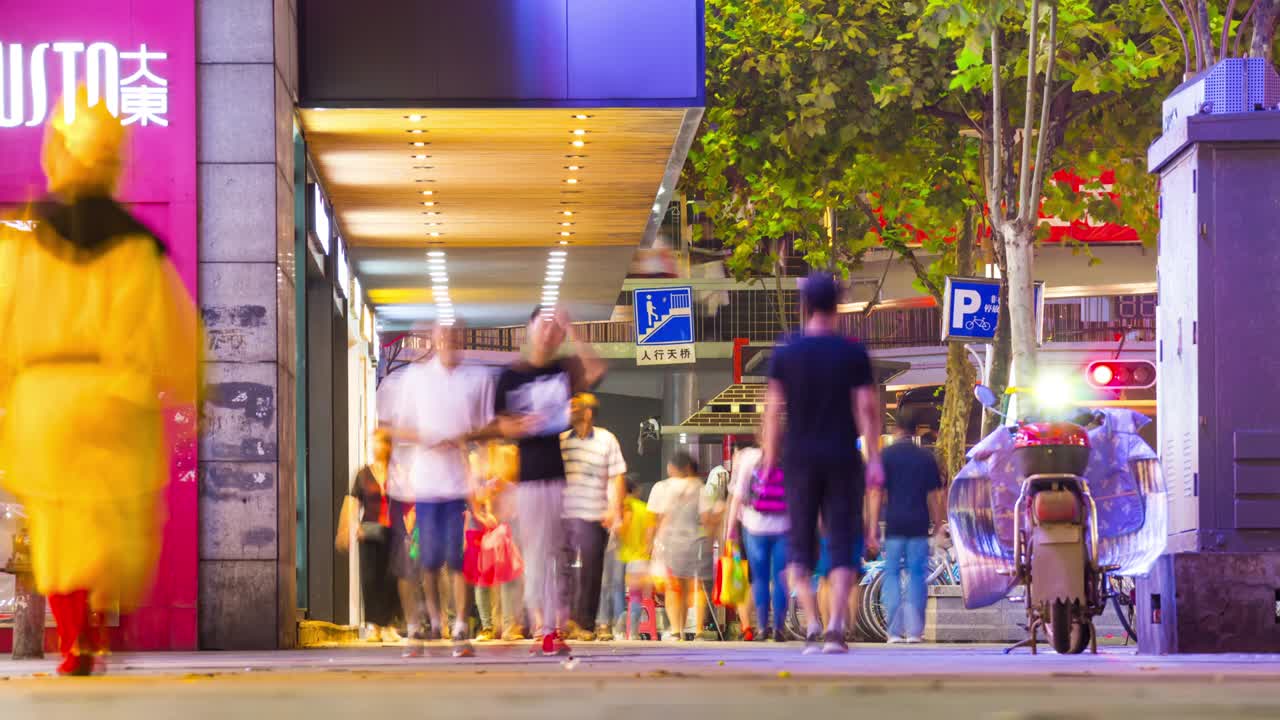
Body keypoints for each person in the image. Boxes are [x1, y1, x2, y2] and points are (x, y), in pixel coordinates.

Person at [0, 88, 201, 676]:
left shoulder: (25, 245)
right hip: (118, 398)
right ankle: (97, 623)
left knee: (59, 523)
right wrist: (191, 390)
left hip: (44, 402)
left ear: (55, 154)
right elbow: (177, 333)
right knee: (116, 519)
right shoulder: (140, 250)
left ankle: (75, 639)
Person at [762, 272, 883, 655]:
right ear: (837, 306)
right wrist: (874, 458)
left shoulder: (786, 351)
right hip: (842, 455)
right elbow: (867, 408)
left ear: (805, 306)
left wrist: (769, 459)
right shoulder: (852, 352)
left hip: (798, 458)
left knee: (800, 541)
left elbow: (773, 410)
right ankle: (835, 629)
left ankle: (812, 623)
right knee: (843, 539)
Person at [489, 307, 606, 656]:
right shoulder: (512, 375)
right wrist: (520, 425)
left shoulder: (561, 370)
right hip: (527, 478)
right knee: (537, 553)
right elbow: (499, 424)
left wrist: (574, 329)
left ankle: (552, 627)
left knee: (556, 551)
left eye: (556, 329)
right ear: (529, 329)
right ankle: (543, 626)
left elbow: (596, 369)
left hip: (557, 475)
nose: (548, 334)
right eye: (543, 326)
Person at [381, 321, 492, 658]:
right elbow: (396, 427)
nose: (449, 341)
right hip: (425, 485)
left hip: (458, 485)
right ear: (434, 340)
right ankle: (434, 619)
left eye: (456, 336)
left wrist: (465, 441)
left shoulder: (474, 379)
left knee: (458, 559)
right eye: (444, 335)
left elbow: (485, 429)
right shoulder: (415, 378)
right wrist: (427, 437)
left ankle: (460, 626)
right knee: (428, 560)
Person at [866, 410, 946, 644]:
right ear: (915, 430)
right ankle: (914, 632)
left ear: (896, 429)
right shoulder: (925, 457)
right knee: (917, 576)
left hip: (894, 525)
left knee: (891, 574)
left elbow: (876, 493)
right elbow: (934, 496)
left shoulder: (886, 455)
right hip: (919, 525)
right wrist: (938, 523)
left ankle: (893, 632)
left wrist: (872, 526)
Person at [559, 393, 627, 641]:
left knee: (590, 571)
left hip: (594, 513)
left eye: (575, 406)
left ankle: (584, 623)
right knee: (562, 570)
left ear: (588, 413)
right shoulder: (562, 441)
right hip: (564, 513)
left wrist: (614, 509)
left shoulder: (607, 439)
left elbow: (617, 476)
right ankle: (564, 621)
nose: (569, 410)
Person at [337, 429, 402, 643]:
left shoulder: (398, 472)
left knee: (391, 578)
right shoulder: (363, 474)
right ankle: (374, 627)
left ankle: (389, 625)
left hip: (394, 532)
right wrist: (347, 527)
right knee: (370, 578)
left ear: (389, 446)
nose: (377, 447)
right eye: (374, 442)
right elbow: (352, 500)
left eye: (381, 442)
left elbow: (407, 503)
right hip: (369, 531)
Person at [648, 452, 715, 642]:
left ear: (672, 468)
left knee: (674, 588)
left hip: (670, 543)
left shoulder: (661, 487)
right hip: (695, 544)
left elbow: (654, 519)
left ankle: (677, 631)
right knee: (695, 587)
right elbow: (707, 519)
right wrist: (710, 541)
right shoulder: (700, 488)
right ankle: (699, 631)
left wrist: (649, 545)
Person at [726, 441, 789, 642]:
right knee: (780, 578)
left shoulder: (748, 457)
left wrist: (730, 529)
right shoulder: (792, 455)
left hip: (754, 526)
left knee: (759, 579)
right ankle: (779, 628)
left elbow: (738, 496)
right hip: (785, 527)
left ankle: (762, 628)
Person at [469, 441, 526, 642]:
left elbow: (520, 486)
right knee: (483, 576)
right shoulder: (473, 460)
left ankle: (509, 625)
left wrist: (504, 485)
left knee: (509, 574)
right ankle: (488, 626)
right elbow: (471, 493)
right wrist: (486, 494)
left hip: (508, 522)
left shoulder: (509, 453)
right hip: (482, 524)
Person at [616, 477, 655, 639]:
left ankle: (620, 630)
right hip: (641, 558)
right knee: (636, 597)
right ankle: (633, 632)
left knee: (622, 595)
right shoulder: (646, 509)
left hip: (625, 557)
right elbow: (651, 534)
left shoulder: (624, 507)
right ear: (636, 490)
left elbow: (622, 529)